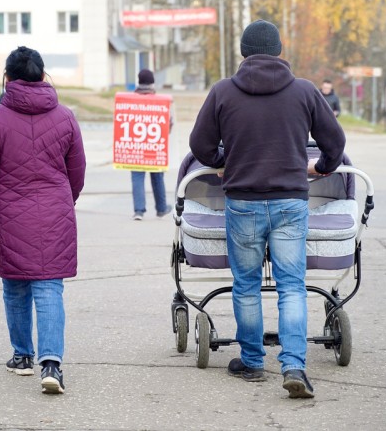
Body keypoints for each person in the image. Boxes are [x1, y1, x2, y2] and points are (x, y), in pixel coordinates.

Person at [189, 20, 346, 399]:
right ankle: (293, 364)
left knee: (246, 285)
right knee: (292, 286)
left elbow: (199, 144)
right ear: (278, 50)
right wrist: (321, 168)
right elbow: (335, 141)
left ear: (244, 51)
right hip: (291, 201)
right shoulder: (305, 91)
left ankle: (254, 361)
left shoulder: (223, 91)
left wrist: (223, 159)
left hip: (242, 202)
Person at [0, 46, 86, 395]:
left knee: (16, 285)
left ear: (7, 79)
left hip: (9, 218)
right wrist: (64, 200)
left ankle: (22, 357)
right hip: (55, 214)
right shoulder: (65, 116)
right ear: (43, 76)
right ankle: (52, 365)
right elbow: (76, 172)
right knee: (49, 287)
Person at [130, 68, 173, 220]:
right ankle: (161, 208)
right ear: (152, 83)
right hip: (155, 146)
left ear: (139, 82)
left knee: (137, 176)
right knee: (157, 177)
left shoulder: (129, 101)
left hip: (136, 146)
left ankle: (139, 211)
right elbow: (169, 123)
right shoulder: (160, 102)